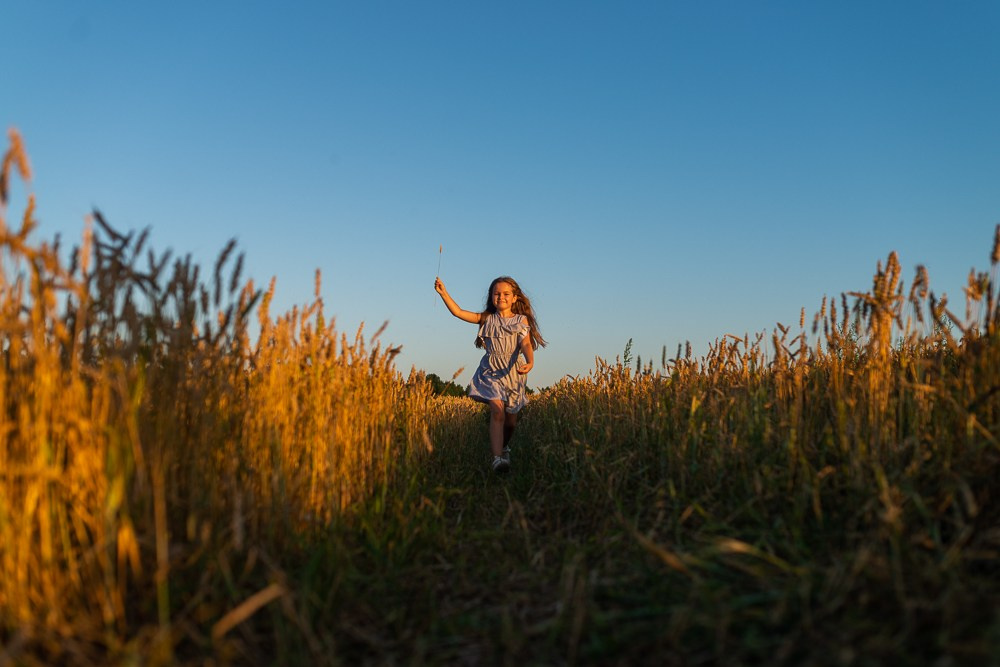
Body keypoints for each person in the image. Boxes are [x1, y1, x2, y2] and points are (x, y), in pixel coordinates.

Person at [434, 275, 546, 473]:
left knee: (511, 422)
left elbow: (526, 344)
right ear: (491, 296)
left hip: (513, 373)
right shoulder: (486, 319)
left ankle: (504, 446)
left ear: (514, 298)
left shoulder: (520, 320)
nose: (501, 297)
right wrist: (444, 293)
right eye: (497, 293)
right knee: (497, 411)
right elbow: (458, 312)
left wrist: (530, 361)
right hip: (491, 371)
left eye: (506, 294)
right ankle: (497, 460)